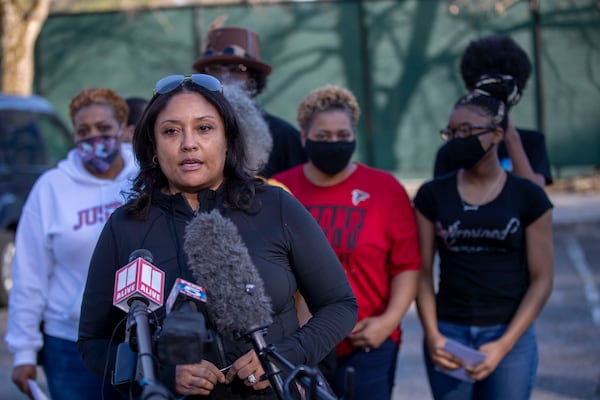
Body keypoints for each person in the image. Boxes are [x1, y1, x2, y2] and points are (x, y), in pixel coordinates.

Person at [77, 74, 358, 399]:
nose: (188, 143)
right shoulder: (126, 226)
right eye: (171, 131)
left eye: (204, 128)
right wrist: (162, 374)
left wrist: (285, 355)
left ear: (228, 138)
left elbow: (340, 305)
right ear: (152, 145)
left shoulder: (276, 206)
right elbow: (93, 341)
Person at [273, 84, 420, 400]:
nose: (334, 143)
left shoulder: (384, 190)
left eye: (342, 136)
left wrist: (388, 322)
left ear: (354, 136)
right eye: (323, 136)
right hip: (300, 346)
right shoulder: (279, 191)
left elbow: (407, 266)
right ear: (303, 137)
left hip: (367, 345)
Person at [413, 79, 554, 399]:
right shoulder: (432, 195)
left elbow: (543, 279)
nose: (457, 139)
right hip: (448, 334)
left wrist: (504, 344)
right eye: (451, 132)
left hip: (509, 334)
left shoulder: (529, 196)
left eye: (467, 130)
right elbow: (421, 271)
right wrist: (433, 334)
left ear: (497, 134)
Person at [5, 88, 137, 400]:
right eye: (84, 131)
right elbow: (29, 273)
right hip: (68, 343)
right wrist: (24, 352)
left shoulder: (145, 178)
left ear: (122, 128)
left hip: (136, 338)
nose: (94, 139)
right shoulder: (51, 188)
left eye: (103, 129)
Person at [434, 35, 553, 187]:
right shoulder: (451, 151)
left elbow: (536, 201)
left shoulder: (531, 142)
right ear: (472, 90)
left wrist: (510, 136)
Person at [192, 26, 306, 178]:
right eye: (214, 68)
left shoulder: (284, 136)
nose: (224, 77)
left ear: (253, 81)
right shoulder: (189, 132)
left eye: (237, 69)